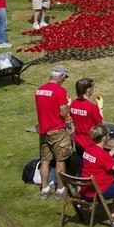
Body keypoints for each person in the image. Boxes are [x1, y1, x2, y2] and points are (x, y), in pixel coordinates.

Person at [36, 65, 74, 200]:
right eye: (64, 78)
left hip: (43, 130)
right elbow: (63, 112)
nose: (64, 81)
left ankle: (45, 188)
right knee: (60, 160)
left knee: (45, 160)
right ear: (60, 76)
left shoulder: (39, 90)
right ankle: (60, 188)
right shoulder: (60, 91)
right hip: (57, 130)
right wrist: (70, 105)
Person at [70, 78, 105, 153]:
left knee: (80, 161)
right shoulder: (92, 107)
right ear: (88, 90)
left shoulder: (73, 104)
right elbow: (101, 124)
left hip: (78, 141)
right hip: (90, 142)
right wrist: (100, 107)